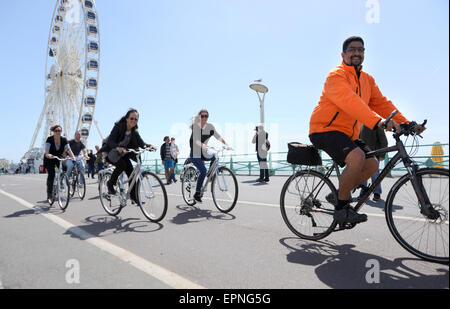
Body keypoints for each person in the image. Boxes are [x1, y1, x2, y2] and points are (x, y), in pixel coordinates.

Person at [308, 36, 425, 225]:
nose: (357, 53)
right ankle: (342, 210)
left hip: (348, 134)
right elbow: (350, 103)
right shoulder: (336, 76)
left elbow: (383, 104)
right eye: (352, 49)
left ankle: (338, 195)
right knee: (357, 157)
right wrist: (378, 122)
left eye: (361, 50)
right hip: (324, 129)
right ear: (343, 54)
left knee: (372, 164)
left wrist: (407, 123)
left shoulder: (367, 80)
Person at [101, 109, 156, 203]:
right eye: (132, 118)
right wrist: (117, 147)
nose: (134, 121)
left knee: (132, 173)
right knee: (122, 165)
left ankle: (134, 197)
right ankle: (110, 184)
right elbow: (110, 141)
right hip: (111, 151)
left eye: (136, 119)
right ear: (127, 118)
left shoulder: (134, 131)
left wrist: (149, 146)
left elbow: (141, 143)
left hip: (124, 153)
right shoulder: (118, 126)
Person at [190, 109, 232, 202]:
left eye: (206, 116)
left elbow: (218, 136)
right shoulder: (196, 127)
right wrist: (202, 145)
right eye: (202, 116)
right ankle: (197, 193)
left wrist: (227, 144)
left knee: (215, 156)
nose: (204, 118)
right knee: (203, 171)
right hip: (195, 153)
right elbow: (196, 140)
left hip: (204, 152)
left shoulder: (210, 127)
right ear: (199, 117)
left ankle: (210, 176)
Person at [43, 125, 76, 203]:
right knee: (51, 175)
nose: (58, 132)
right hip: (50, 158)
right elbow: (47, 150)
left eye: (59, 131)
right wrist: (47, 154)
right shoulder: (49, 139)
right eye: (56, 131)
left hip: (58, 157)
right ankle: (49, 193)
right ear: (53, 132)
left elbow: (68, 149)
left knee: (63, 170)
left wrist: (73, 157)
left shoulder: (64, 139)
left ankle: (61, 182)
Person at [358, 125, 388, 201]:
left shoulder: (377, 124)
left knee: (375, 175)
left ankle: (377, 193)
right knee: (363, 174)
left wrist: (382, 155)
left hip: (375, 154)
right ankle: (363, 192)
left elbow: (383, 140)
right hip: (363, 154)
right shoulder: (361, 125)